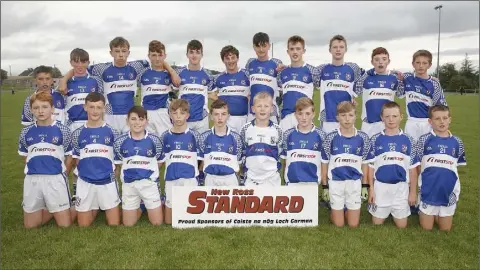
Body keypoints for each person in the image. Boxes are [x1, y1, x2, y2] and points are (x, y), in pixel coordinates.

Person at [59, 37, 150, 134]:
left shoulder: (136, 66)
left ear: (128, 53)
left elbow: (154, 64)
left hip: (129, 114)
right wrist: (64, 80)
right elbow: (80, 68)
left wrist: (169, 71)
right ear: (111, 53)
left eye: (124, 51)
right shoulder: (101, 68)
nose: (120, 54)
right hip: (109, 115)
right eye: (117, 51)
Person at [18, 91, 73, 228]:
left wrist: (63, 173)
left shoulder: (63, 130)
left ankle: (67, 206)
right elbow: (26, 155)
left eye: (44, 107)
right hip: (33, 180)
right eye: (36, 108)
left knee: (65, 225)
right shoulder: (26, 132)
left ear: (52, 108)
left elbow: (70, 155)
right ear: (31, 110)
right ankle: (50, 207)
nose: (40, 111)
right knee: (30, 227)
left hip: (55, 179)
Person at [71, 92, 121, 227]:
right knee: (83, 225)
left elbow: (117, 161)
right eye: (91, 107)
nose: (95, 111)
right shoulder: (77, 133)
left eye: (99, 107)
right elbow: (77, 160)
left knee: (114, 224)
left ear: (104, 108)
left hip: (107, 181)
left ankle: (100, 203)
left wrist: (112, 177)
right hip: (86, 182)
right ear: (85, 107)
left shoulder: (113, 132)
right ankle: (94, 205)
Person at [366, 101, 419, 228]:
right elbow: (370, 168)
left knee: (402, 226)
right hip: (381, 188)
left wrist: (412, 192)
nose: (391, 120)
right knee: (376, 224)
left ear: (401, 117)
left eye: (394, 116)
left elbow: (413, 170)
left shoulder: (409, 140)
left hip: (401, 188)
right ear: (382, 118)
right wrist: (371, 190)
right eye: (387, 116)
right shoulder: (374, 139)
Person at [416, 105, 466, 231]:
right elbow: (417, 164)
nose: (442, 121)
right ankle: (425, 210)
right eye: (437, 119)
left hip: (448, 190)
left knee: (445, 230)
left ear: (450, 119)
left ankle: (442, 211)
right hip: (429, 188)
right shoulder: (424, 140)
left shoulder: (457, 142)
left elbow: (455, 166)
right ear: (430, 121)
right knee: (426, 228)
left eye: (445, 118)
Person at [321, 101, 370, 228]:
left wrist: (365, 185)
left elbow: (365, 163)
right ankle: (335, 210)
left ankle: (345, 208)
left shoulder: (363, 137)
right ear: (337, 117)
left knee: (353, 225)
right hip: (335, 183)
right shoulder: (330, 137)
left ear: (355, 116)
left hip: (354, 183)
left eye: (350, 115)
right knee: (339, 224)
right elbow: (325, 163)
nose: (347, 119)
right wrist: (325, 186)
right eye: (343, 115)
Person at [113, 106, 163, 226]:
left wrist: (150, 176)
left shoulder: (155, 140)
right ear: (127, 121)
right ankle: (140, 206)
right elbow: (119, 163)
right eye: (133, 119)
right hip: (129, 186)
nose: (137, 123)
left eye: (141, 119)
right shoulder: (119, 141)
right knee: (128, 224)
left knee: (157, 223)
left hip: (149, 185)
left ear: (146, 121)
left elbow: (160, 161)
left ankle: (144, 204)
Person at [159, 99, 202, 224]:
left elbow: (201, 159)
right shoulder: (165, 136)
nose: (178, 116)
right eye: (175, 113)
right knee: (168, 222)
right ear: (170, 115)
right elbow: (161, 160)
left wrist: (197, 175)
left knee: (190, 220)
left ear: (187, 115)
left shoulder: (195, 136)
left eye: (182, 113)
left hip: (189, 179)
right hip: (171, 178)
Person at [317, 35, 365, 134]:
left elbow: (366, 76)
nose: (338, 50)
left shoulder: (353, 68)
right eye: (335, 47)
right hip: (327, 118)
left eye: (341, 47)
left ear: (345, 49)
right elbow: (304, 71)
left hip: (347, 118)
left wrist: (354, 95)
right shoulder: (321, 69)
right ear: (330, 50)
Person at [398, 49, 448, 141]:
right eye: (418, 62)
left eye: (424, 63)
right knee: (410, 153)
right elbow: (399, 94)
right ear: (413, 64)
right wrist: (400, 81)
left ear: (429, 65)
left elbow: (441, 107)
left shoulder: (434, 84)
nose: (421, 66)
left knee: (427, 153)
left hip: (427, 123)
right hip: (411, 123)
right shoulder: (407, 77)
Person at [354, 47, 404, 138]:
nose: (380, 62)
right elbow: (355, 91)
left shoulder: (395, 78)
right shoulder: (365, 77)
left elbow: (400, 94)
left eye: (384, 59)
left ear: (388, 61)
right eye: (377, 60)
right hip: (368, 124)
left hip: (387, 124)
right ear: (372, 62)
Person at [278, 35, 321, 132]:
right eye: (292, 49)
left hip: (304, 117)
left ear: (303, 51)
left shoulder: (312, 71)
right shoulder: (282, 72)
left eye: (298, 49)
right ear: (288, 52)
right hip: (286, 117)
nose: (295, 52)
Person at [240, 92, 283, 186]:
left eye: (266, 106)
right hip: (251, 180)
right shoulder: (246, 129)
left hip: (272, 180)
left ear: (272, 109)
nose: (262, 109)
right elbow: (242, 152)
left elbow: (280, 153)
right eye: (259, 106)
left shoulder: (277, 130)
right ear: (253, 109)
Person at [174, 39, 216, 135]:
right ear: (187, 54)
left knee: (201, 148)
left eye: (197, 52)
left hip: (202, 121)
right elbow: (170, 92)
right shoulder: (179, 73)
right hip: (183, 119)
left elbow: (213, 95)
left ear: (201, 55)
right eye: (191, 52)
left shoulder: (208, 75)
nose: (194, 55)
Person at [140, 40, 181, 137]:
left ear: (165, 56)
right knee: (149, 144)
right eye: (154, 55)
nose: (157, 59)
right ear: (149, 56)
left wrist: (168, 67)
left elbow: (178, 83)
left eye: (160, 55)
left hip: (164, 113)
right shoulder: (142, 73)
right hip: (147, 113)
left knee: (165, 142)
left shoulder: (169, 73)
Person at [281, 97, 327, 185]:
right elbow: (285, 161)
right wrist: (285, 180)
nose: (304, 117)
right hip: (291, 183)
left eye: (307, 113)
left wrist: (324, 185)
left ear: (313, 114)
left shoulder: (321, 135)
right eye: (300, 114)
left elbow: (324, 162)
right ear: (295, 115)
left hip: (312, 184)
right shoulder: (288, 135)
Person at [199, 99, 244, 186]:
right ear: (211, 116)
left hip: (230, 178)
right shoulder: (204, 137)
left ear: (228, 116)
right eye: (216, 114)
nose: (220, 118)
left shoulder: (236, 138)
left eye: (223, 114)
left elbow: (238, 161)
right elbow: (202, 160)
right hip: (210, 178)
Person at [244, 32, 284, 124]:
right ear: (254, 47)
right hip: (253, 112)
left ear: (269, 46)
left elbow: (282, 86)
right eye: (258, 46)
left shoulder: (276, 63)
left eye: (264, 46)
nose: (261, 49)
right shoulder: (250, 63)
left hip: (271, 112)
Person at [211, 45, 250, 133]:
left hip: (244, 119)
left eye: (233, 57)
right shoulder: (218, 78)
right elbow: (209, 93)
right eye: (227, 58)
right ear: (223, 60)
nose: (230, 61)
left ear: (237, 58)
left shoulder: (247, 75)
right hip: (226, 120)